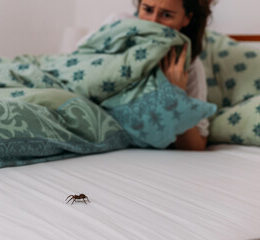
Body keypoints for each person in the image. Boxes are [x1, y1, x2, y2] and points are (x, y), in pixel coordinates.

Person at [79, 0, 213, 151]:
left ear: (186, 18)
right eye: (148, 10)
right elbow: (76, 63)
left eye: (166, 15)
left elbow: (196, 146)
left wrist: (175, 96)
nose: (153, 22)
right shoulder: (118, 25)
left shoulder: (189, 66)